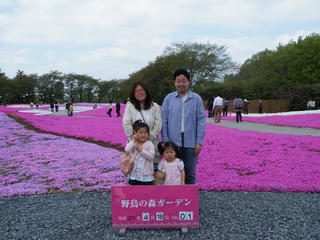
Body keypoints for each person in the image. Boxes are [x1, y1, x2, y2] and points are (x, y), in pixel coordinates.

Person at [162, 69, 206, 184]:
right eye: (178, 81)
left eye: (184, 81)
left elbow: (201, 121)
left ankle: (189, 199)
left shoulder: (196, 99)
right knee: (172, 171)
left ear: (189, 82)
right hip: (173, 143)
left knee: (190, 172)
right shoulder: (169, 98)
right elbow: (164, 121)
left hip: (191, 142)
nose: (181, 84)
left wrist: (199, 142)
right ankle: (174, 198)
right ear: (174, 83)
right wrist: (166, 141)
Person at [123, 81, 162, 171]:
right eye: (137, 91)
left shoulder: (154, 106)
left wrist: (149, 137)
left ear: (146, 92)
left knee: (151, 169)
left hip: (151, 143)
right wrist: (134, 138)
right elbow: (126, 122)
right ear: (134, 94)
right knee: (134, 169)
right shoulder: (130, 106)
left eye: (142, 90)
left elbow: (158, 123)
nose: (140, 93)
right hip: (135, 143)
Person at [125, 120, 155, 185]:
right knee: (134, 192)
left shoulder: (149, 144)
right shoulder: (134, 143)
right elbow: (127, 150)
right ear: (135, 133)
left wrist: (142, 150)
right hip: (134, 174)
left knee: (146, 192)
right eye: (140, 133)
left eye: (145, 133)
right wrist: (133, 140)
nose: (143, 135)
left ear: (148, 134)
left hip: (146, 175)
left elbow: (151, 157)